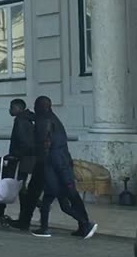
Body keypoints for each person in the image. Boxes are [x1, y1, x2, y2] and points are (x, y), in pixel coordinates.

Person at [31, 96, 97, 239]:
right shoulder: (54, 120)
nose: (34, 108)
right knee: (58, 200)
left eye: (36, 106)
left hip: (57, 170)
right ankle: (48, 227)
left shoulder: (45, 122)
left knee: (64, 202)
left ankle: (84, 223)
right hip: (59, 168)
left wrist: (63, 176)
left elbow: (51, 150)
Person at [7, 98, 40, 231]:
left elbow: (23, 142)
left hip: (24, 159)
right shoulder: (29, 118)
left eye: (11, 107)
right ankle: (28, 213)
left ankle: (25, 217)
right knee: (24, 187)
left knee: (22, 188)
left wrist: (15, 155)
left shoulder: (20, 120)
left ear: (18, 108)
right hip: (31, 158)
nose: (10, 110)